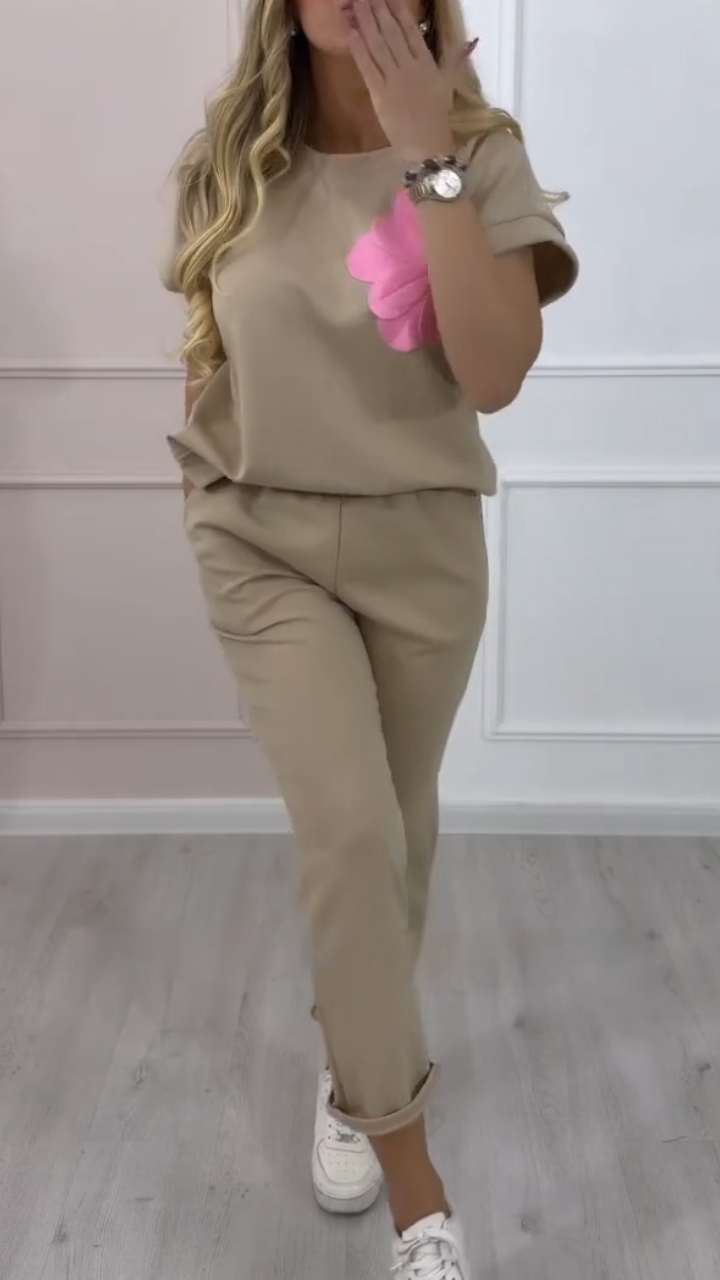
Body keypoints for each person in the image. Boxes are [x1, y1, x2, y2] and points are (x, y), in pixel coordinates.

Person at [160, 0, 577, 1270]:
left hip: (421, 551)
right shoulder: (231, 157)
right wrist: (206, 485)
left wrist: (426, 152)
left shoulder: (479, 151)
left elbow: (495, 374)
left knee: (393, 843)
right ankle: (419, 1194)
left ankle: (354, 1068)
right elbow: (208, 353)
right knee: (349, 828)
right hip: (265, 543)